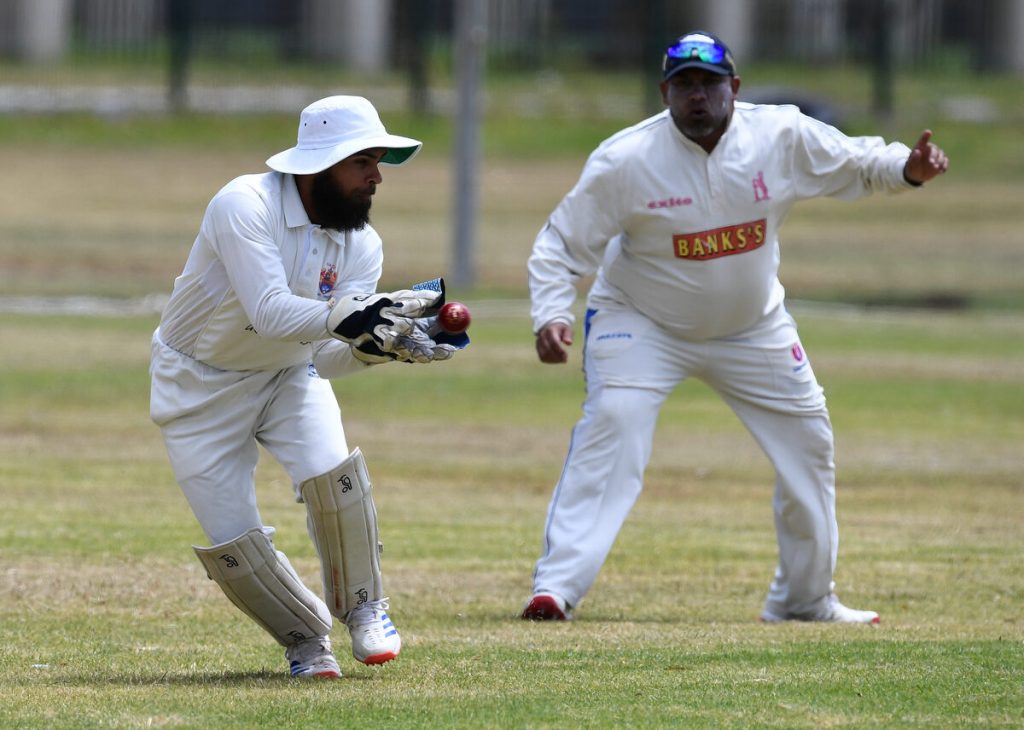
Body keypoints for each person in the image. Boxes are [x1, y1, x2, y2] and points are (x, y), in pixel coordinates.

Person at [521, 32, 949, 623]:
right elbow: (561, 246)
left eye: (710, 83)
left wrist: (907, 167)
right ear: (664, 92)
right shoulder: (625, 159)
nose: (698, 95)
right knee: (614, 425)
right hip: (640, 322)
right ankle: (555, 589)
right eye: (684, 84)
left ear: (735, 88)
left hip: (753, 326)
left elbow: (854, 160)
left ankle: (802, 600)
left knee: (809, 442)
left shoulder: (779, 134)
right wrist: (552, 314)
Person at [150, 95, 464, 678]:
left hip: (287, 375)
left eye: (377, 162)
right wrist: (354, 314)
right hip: (197, 385)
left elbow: (319, 350)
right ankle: (307, 641)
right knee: (234, 548)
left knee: (334, 475)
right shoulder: (242, 204)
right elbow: (270, 313)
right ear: (318, 164)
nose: (375, 177)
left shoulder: (362, 244)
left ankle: (368, 607)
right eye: (362, 162)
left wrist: (376, 349)